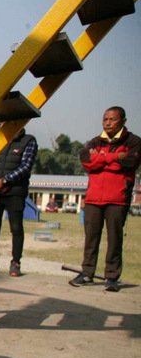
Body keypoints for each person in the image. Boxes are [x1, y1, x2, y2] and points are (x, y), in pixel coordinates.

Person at [69, 106, 141, 292]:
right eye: (105, 119)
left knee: (114, 239)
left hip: (117, 199)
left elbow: (130, 163)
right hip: (93, 198)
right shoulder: (95, 141)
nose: (107, 122)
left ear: (123, 121)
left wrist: (101, 158)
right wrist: (115, 157)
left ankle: (112, 277)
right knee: (91, 237)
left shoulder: (134, 142)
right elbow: (86, 162)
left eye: (112, 119)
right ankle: (87, 273)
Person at [0, 129, 37, 277]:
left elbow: (25, 166)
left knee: (16, 228)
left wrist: (5, 181)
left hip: (15, 191)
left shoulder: (29, 141)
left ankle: (15, 263)